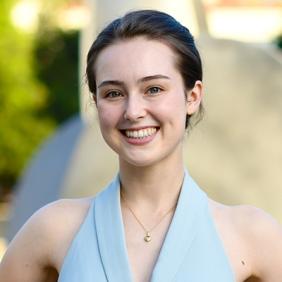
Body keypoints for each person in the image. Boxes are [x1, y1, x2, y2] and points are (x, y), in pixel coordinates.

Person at [0, 9, 281, 282]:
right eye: (113, 93)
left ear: (192, 97)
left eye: (154, 89)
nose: (133, 111)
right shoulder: (52, 229)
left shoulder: (252, 235)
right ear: (96, 103)